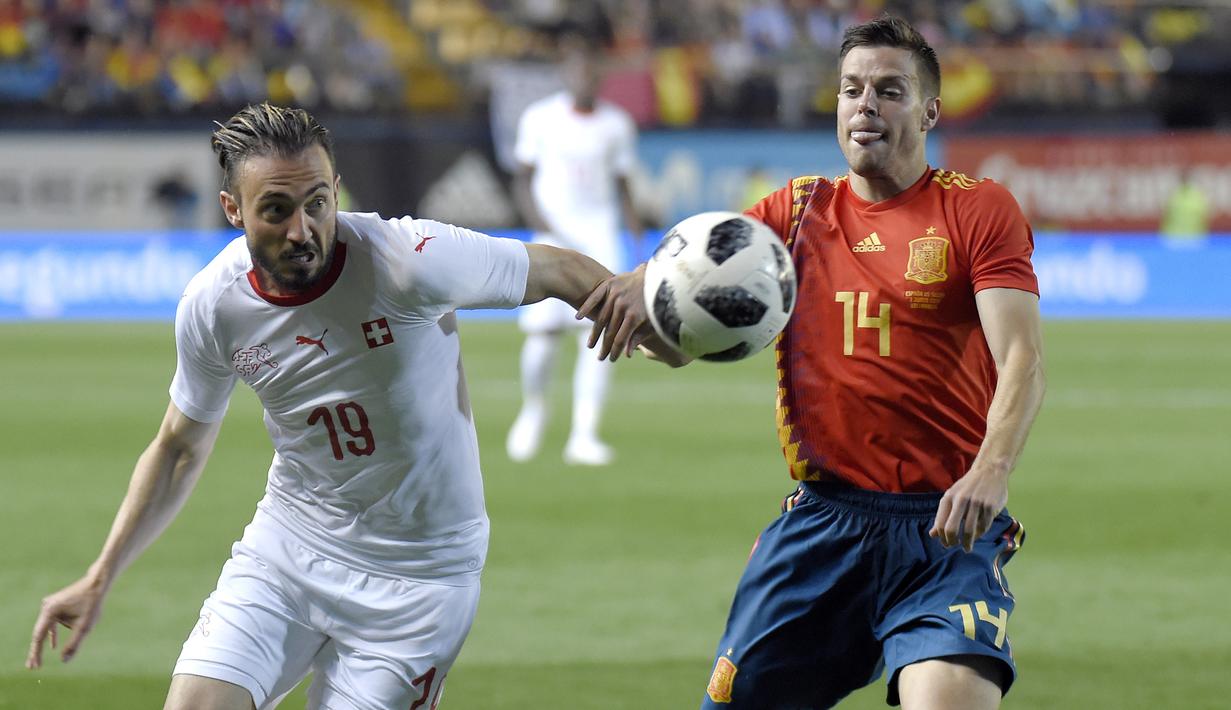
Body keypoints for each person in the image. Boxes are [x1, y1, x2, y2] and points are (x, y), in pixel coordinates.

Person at [25, 102, 679, 709]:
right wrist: (101, 575)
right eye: (275, 210)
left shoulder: (407, 261)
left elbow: (558, 271)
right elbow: (177, 447)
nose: (302, 230)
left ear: (336, 191)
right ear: (232, 208)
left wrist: (658, 332)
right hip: (287, 550)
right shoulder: (214, 305)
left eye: (317, 203)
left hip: (421, 581)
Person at [581, 16, 1047, 710]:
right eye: (851, 89)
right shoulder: (795, 213)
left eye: (889, 91)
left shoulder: (976, 209)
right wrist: (642, 299)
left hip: (945, 530)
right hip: (823, 527)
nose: (865, 105)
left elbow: (1021, 357)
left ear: (929, 112)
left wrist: (992, 468)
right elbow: (687, 315)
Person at [505, 35, 643, 466]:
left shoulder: (617, 124)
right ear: (566, 74)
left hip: (599, 235)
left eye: (591, 70)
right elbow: (522, 178)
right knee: (544, 333)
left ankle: (584, 434)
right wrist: (540, 223)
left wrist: (636, 233)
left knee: (600, 331)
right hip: (554, 237)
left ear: (599, 76)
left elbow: (623, 184)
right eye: (577, 70)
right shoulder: (540, 118)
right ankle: (533, 410)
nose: (584, 77)